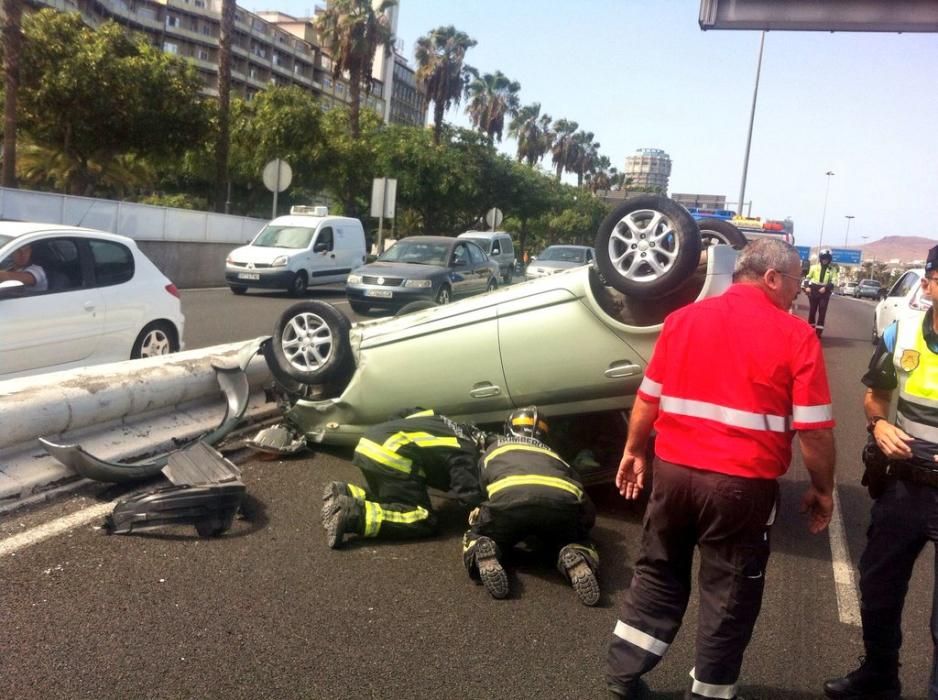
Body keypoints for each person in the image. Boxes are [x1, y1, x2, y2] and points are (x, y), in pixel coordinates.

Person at [606, 238, 836, 700]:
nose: (798, 292)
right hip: (739, 488)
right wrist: (823, 489)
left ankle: (622, 674)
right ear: (771, 278)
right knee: (729, 592)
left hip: (671, 474)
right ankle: (708, 693)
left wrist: (634, 450)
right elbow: (814, 431)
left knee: (656, 571)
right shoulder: (796, 336)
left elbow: (648, 396)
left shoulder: (683, 319)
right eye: (794, 282)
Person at [824, 244, 938, 700]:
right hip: (905, 484)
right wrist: (880, 423)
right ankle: (878, 675)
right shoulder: (902, 332)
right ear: (929, 282)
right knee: (878, 586)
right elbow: (876, 395)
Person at [461, 406, 600, 606]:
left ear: (509, 427)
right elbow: (585, 502)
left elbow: (481, 490)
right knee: (572, 538)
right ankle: (577, 553)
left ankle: (483, 548)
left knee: (479, 532)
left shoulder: (495, 448)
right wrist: (582, 528)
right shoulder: (555, 455)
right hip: (560, 507)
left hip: (508, 505)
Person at [321, 408, 485, 548]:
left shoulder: (441, 419)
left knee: (393, 499)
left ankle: (347, 492)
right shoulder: (468, 451)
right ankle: (352, 515)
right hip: (391, 457)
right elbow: (469, 496)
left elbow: (403, 413)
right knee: (422, 518)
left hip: (370, 441)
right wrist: (490, 514)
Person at [803, 248, 836, 336]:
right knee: (812, 310)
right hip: (813, 290)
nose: (825, 260)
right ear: (820, 258)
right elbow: (807, 278)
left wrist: (826, 288)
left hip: (825, 292)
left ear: (829, 259)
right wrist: (807, 287)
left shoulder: (833, 269)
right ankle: (811, 330)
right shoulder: (814, 267)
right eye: (823, 258)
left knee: (822, 311)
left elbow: (834, 282)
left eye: (827, 258)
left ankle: (818, 333)